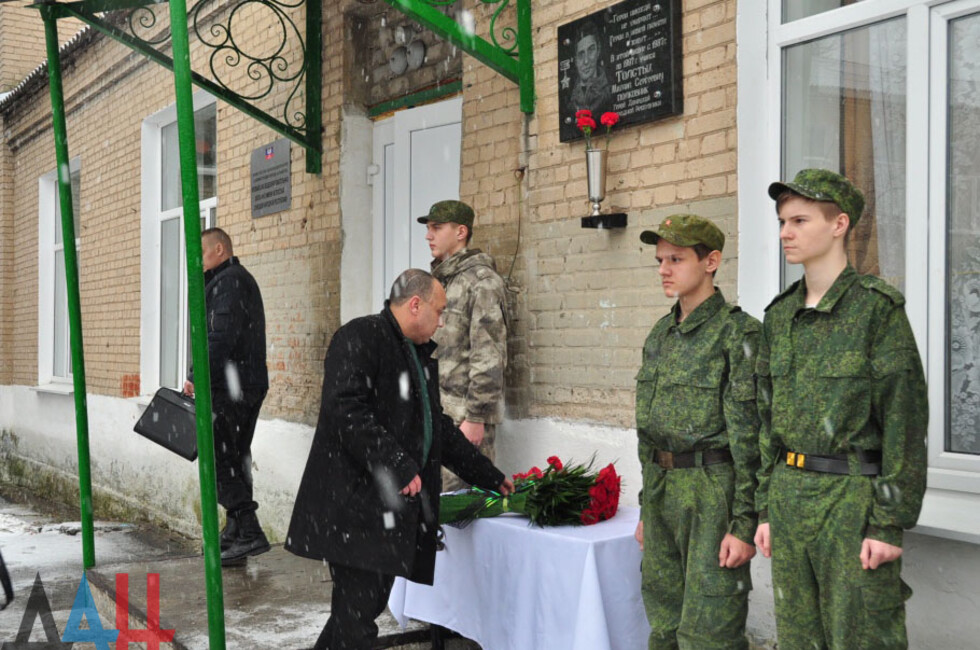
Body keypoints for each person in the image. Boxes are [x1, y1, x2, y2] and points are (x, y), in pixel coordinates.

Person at [285, 269, 514, 650]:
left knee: (358, 613)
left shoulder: (417, 353)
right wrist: (397, 463)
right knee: (357, 620)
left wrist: (488, 476)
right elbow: (346, 410)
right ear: (414, 304)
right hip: (355, 508)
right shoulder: (361, 337)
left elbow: (434, 427)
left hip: (386, 513)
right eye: (439, 312)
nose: (441, 322)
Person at [754, 169, 928, 649]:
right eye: (782, 221)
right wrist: (765, 508)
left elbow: (905, 424)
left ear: (839, 224)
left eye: (799, 220)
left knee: (862, 637)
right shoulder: (780, 315)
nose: (785, 232)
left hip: (851, 500)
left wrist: (887, 522)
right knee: (797, 636)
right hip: (790, 497)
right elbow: (766, 423)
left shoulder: (877, 311)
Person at [634, 214, 760, 649]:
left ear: (711, 262)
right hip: (664, 491)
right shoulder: (661, 335)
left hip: (711, 493)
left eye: (676, 259)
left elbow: (750, 438)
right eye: (660, 259)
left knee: (710, 630)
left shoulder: (737, 334)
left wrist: (745, 523)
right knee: (664, 622)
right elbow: (646, 434)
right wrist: (647, 508)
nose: (664, 269)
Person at [182, 227, 269, 567]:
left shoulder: (230, 281)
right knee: (232, 456)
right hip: (239, 383)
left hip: (233, 387)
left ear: (218, 250)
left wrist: (197, 378)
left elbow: (220, 338)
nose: (196, 262)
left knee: (219, 459)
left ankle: (248, 529)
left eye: (200, 254)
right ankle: (235, 531)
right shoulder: (228, 280)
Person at [418, 200, 507, 492]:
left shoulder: (482, 282)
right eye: (428, 228)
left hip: (462, 419)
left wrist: (477, 417)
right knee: (437, 510)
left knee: (461, 509)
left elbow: (489, 355)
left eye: (436, 228)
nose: (428, 235)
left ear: (461, 232)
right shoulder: (441, 280)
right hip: (437, 416)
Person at [570, 21, 613, 116]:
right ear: (575, 60)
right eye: (581, 54)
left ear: (598, 51)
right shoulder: (571, 101)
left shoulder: (609, 91)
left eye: (591, 50)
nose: (586, 61)